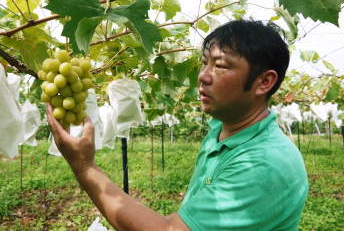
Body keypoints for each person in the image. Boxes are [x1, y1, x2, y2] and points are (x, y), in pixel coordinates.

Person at [47, 19, 309, 230]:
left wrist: (84, 167)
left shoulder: (264, 164)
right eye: (204, 63)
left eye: (220, 66)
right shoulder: (221, 131)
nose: (203, 76)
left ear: (264, 82)